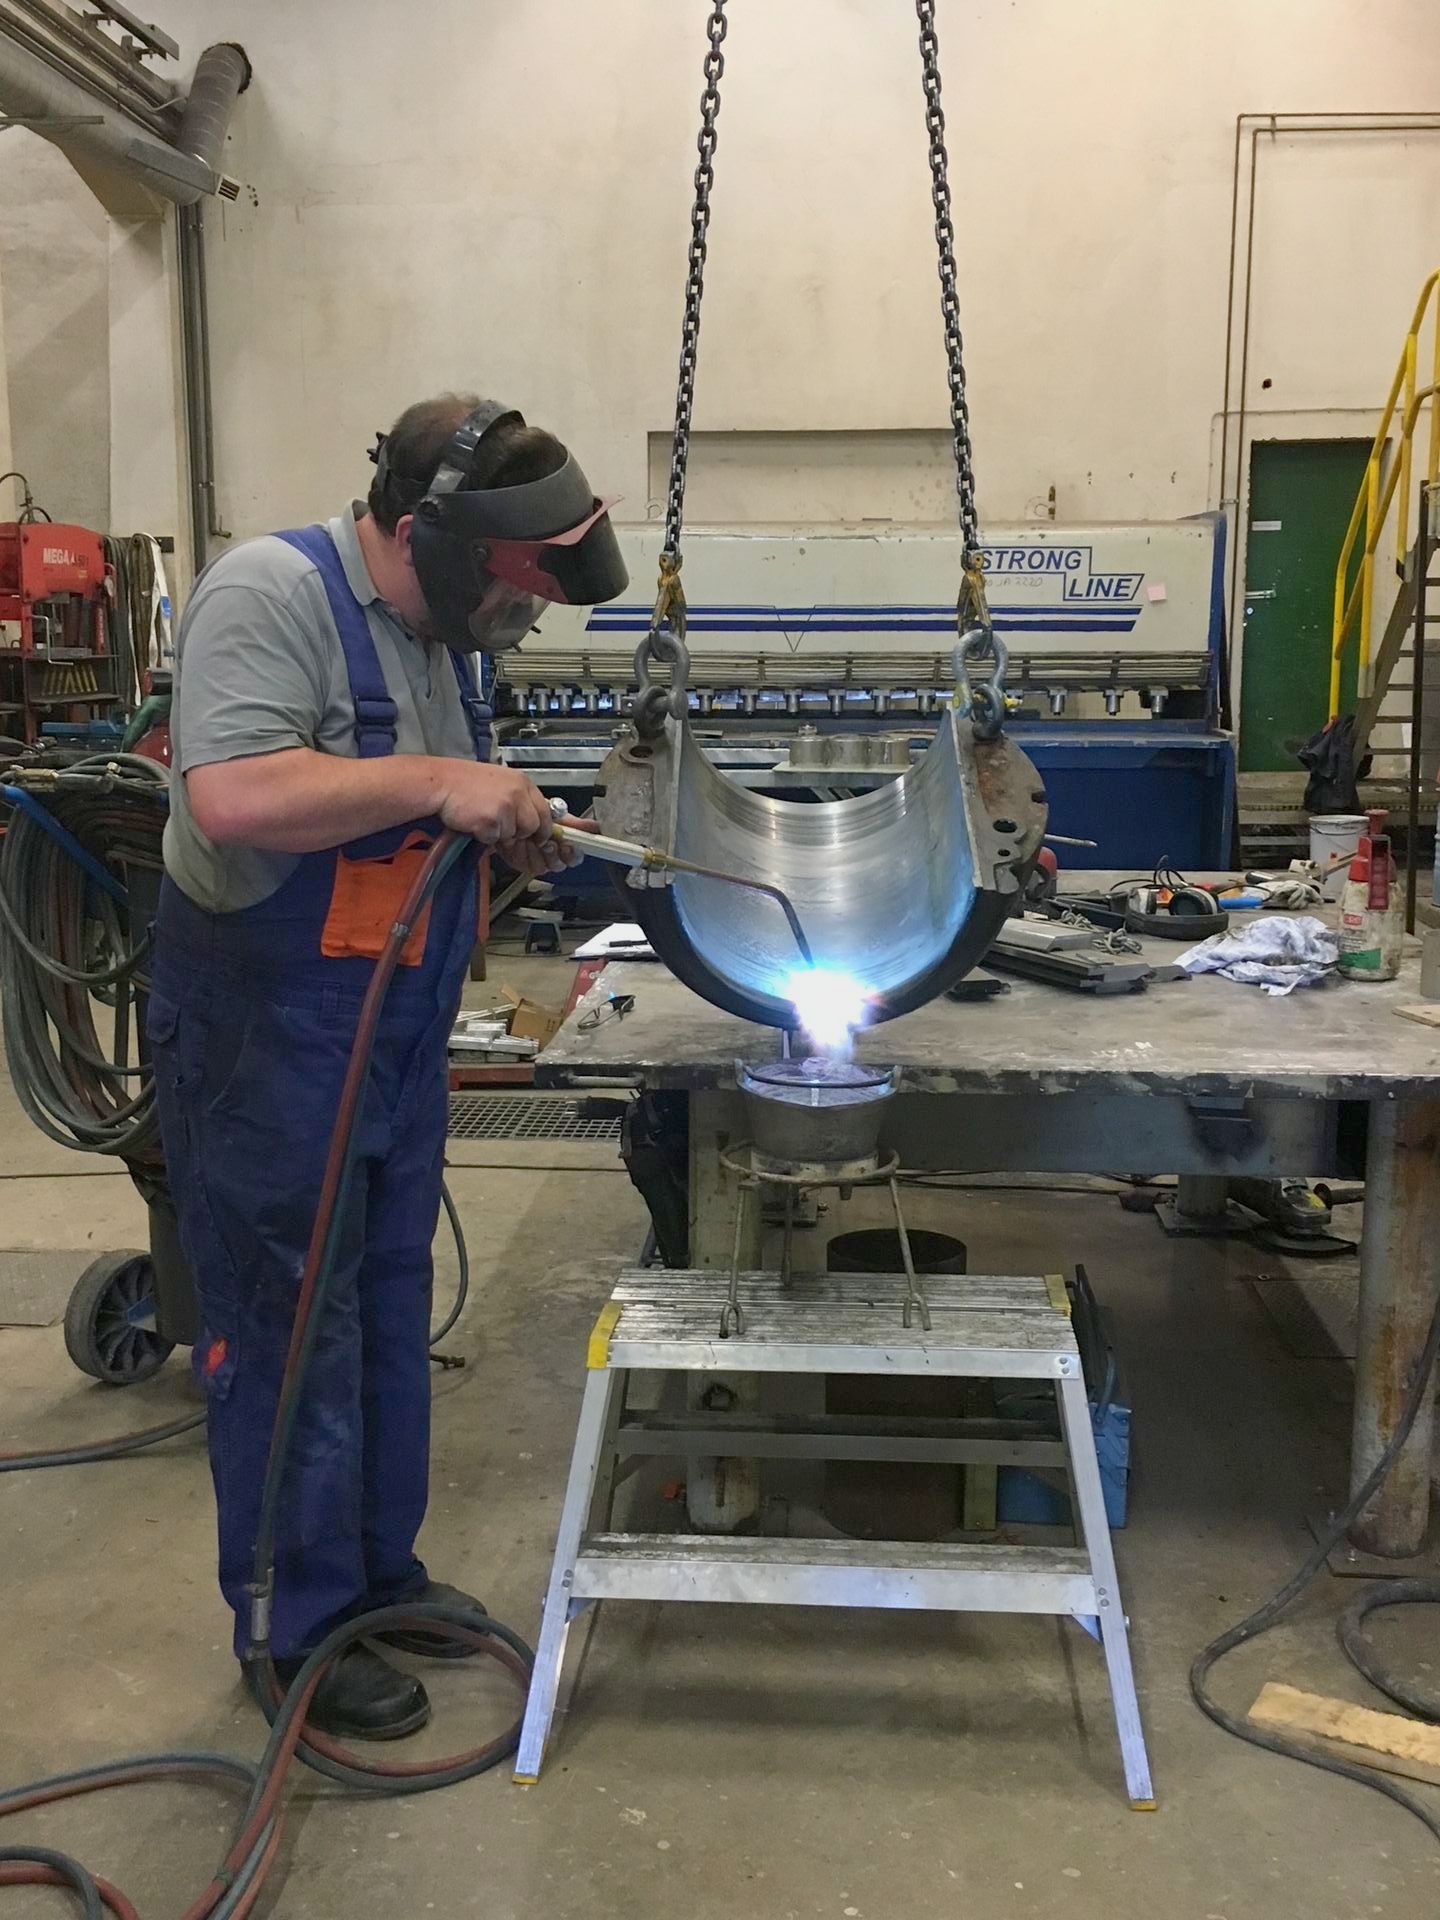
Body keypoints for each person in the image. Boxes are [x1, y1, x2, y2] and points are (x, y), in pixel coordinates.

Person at [148, 394, 627, 1739]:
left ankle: (375, 1578)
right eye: (514, 585)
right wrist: (435, 785)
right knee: (290, 1320)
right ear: (427, 537)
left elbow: (423, 813)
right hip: (267, 1031)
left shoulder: (442, 644)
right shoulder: (270, 591)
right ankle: (292, 1627)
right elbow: (232, 795)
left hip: (391, 1026)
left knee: (381, 1300)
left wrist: (505, 829)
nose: (521, 614)